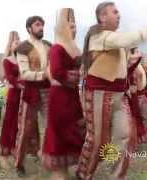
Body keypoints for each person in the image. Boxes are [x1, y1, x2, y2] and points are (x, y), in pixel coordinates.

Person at [76, 2, 147, 179]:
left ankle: (116, 175)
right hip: (98, 92)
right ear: (102, 17)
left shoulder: (114, 41)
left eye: (119, 12)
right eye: (114, 12)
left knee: (124, 136)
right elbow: (129, 39)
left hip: (119, 95)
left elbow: (124, 68)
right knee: (98, 140)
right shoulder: (98, 36)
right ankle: (83, 174)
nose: (119, 15)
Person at [41, 8, 85, 180]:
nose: (74, 29)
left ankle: (71, 166)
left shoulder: (76, 49)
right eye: (70, 26)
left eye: (75, 27)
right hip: (59, 96)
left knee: (75, 128)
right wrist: (76, 76)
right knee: (60, 131)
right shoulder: (57, 48)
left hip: (73, 96)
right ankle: (59, 172)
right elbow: (58, 72)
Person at [14, 15, 52, 177]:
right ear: (29, 28)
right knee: (26, 128)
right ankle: (19, 163)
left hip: (49, 90)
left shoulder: (49, 45)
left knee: (51, 126)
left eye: (42, 25)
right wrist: (44, 75)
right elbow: (24, 74)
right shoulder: (23, 48)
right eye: (37, 25)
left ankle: (51, 159)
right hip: (31, 91)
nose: (41, 27)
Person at [0, 31, 22, 170]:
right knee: (9, 120)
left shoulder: (22, 60)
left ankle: (15, 146)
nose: (18, 44)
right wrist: (20, 83)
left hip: (22, 92)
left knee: (19, 121)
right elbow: (9, 77)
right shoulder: (8, 60)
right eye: (16, 42)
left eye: (19, 42)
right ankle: (6, 146)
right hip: (14, 92)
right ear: (11, 45)